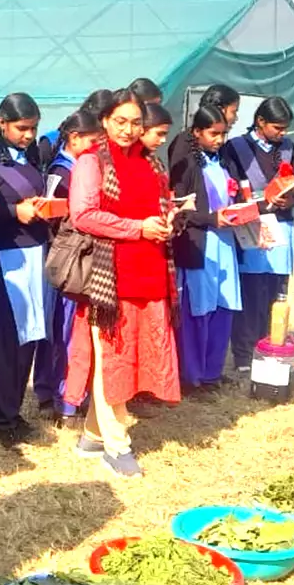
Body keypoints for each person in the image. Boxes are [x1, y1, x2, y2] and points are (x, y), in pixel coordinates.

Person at [65, 90, 179, 478]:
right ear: (105, 121)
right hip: (109, 278)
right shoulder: (91, 161)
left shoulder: (151, 163)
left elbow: (154, 206)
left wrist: (165, 221)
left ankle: (94, 437)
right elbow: (84, 215)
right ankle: (117, 446)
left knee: (130, 362)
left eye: (135, 122)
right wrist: (138, 228)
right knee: (112, 361)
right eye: (121, 122)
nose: (129, 130)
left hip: (149, 273)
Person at [0, 93, 52, 448]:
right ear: (2, 124)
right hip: (7, 260)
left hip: (38, 257)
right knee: (5, 343)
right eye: (22, 128)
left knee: (29, 339)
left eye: (33, 128)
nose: (28, 135)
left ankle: (15, 411)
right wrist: (13, 213)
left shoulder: (32, 159)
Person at [219, 97, 294, 372]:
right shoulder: (235, 148)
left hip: (282, 224)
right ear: (260, 122)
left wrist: (290, 200)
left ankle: (271, 346)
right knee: (251, 291)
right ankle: (245, 354)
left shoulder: (289, 147)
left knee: (276, 290)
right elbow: (229, 188)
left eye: (285, 129)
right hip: (252, 225)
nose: (282, 134)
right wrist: (260, 203)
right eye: (277, 128)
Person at [37, 110, 104, 426]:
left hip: (74, 257)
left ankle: (64, 393)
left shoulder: (73, 168)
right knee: (65, 333)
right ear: (74, 138)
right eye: (93, 142)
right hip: (72, 262)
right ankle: (62, 394)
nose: (97, 148)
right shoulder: (65, 172)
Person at [172, 107, 243, 392]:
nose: (219, 140)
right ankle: (191, 376)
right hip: (200, 245)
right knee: (198, 311)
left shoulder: (222, 160)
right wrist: (213, 218)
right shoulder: (188, 163)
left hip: (224, 243)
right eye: (213, 134)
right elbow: (181, 210)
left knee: (223, 307)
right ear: (196, 132)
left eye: (223, 134)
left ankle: (212, 373)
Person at [169, 84, 240, 187]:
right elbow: (179, 187)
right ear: (220, 110)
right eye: (234, 112)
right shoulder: (183, 144)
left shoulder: (219, 145)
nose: (236, 118)